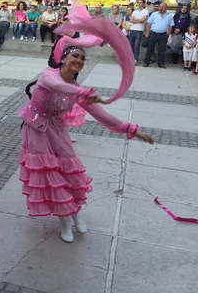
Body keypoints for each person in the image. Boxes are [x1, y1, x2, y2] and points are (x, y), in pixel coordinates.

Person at [21, 41, 153, 243]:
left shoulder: (76, 88)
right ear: (63, 59)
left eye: (83, 58)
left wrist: (132, 130)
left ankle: (75, 212)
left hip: (57, 130)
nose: (79, 60)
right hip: (37, 130)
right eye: (75, 56)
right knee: (50, 175)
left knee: (70, 171)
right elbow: (57, 86)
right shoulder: (49, 75)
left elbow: (102, 115)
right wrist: (83, 94)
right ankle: (64, 220)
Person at [143, 3, 174, 68]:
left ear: (166, 8)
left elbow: (171, 25)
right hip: (153, 33)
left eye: (162, 7)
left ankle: (161, 63)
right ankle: (146, 62)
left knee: (162, 50)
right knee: (150, 48)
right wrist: (147, 33)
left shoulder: (169, 16)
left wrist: (168, 34)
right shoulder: (154, 14)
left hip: (163, 35)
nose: (160, 8)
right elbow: (148, 24)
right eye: (160, 7)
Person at [128, 0, 149, 64]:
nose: (139, 4)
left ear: (143, 4)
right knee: (131, 45)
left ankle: (135, 59)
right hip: (132, 29)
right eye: (138, 2)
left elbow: (142, 20)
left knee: (136, 45)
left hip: (139, 30)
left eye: (141, 2)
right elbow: (131, 20)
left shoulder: (146, 11)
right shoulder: (134, 12)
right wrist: (138, 20)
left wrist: (136, 20)